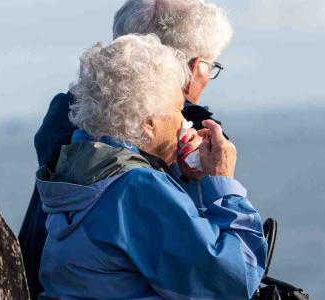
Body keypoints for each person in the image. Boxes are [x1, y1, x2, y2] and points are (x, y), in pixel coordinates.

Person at [18, 0, 235, 297]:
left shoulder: (70, 117)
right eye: (212, 66)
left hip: (37, 274)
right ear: (194, 67)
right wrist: (214, 183)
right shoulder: (157, 150)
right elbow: (217, 275)